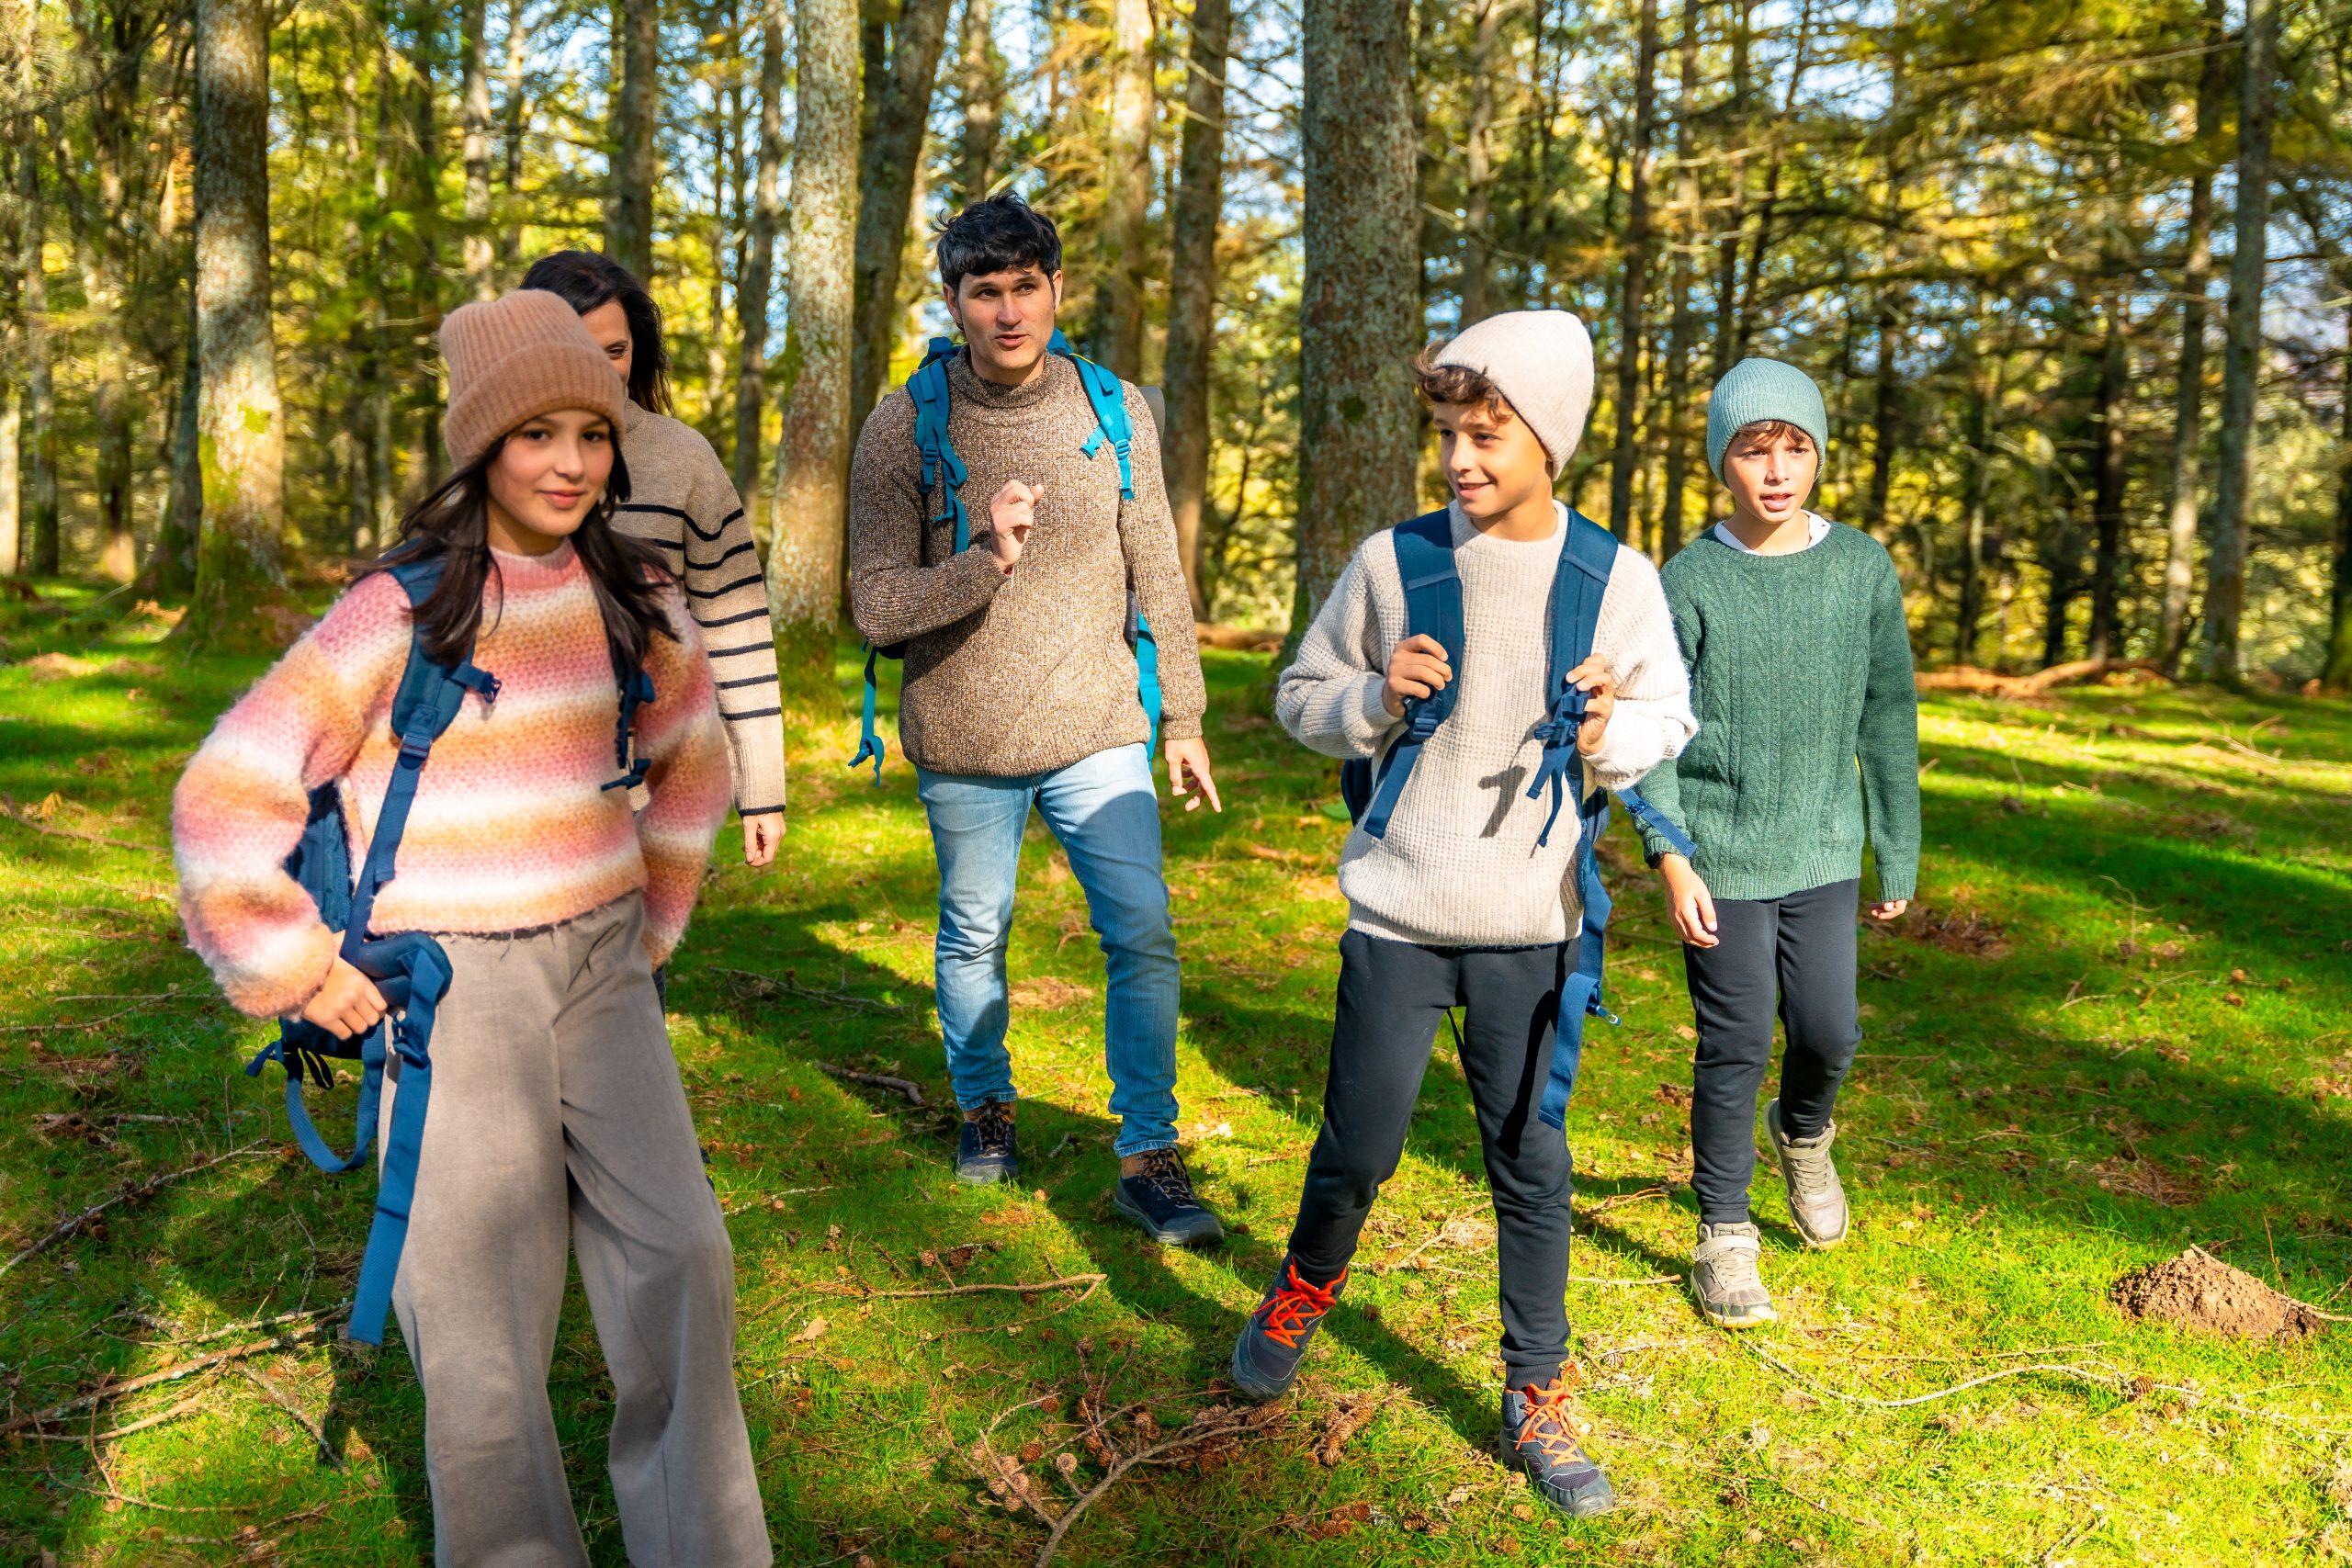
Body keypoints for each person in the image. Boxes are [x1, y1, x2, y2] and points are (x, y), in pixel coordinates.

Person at [171, 289, 771, 1566]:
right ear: (480, 446)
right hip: (452, 987)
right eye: (536, 434)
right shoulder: (400, 611)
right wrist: (292, 960)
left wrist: (652, 923)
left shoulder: (634, 596)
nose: (569, 462)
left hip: (604, 966)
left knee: (683, 1253)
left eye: (592, 435)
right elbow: (226, 791)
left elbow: (692, 760)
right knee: (483, 1314)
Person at [1230, 310, 1696, 1518]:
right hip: (1399, 914)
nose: (1460, 458)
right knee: (1358, 1145)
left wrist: (1610, 730)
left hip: (1534, 928)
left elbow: (1666, 720)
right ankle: (1301, 1285)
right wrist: (1372, 696)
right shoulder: (1394, 563)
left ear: (1551, 435)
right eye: (1448, 432)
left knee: (1530, 1160)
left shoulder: (1616, 578)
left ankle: (1535, 1391)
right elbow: (1300, 691)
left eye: (1487, 433)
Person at [846, 193, 1226, 1246]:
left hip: (1098, 724)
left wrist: (1183, 714)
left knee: (1140, 932)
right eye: (985, 291)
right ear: (955, 300)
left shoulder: (1116, 410)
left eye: (1026, 287)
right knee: (974, 934)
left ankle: (1149, 1153)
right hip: (963, 738)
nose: (1008, 311)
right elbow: (873, 604)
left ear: (1057, 288)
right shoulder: (903, 423)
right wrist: (984, 560)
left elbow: (1157, 561)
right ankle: (986, 1106)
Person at [1630, 356, 1920, 1330]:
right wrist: (1669, 852)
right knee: (1736, 1039)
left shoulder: (1860, 567)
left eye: (1795, 447)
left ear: (1817, 455)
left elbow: (1887, 715)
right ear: (1724, 461)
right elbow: (1651, 727)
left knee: (1830, 1030)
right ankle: (1722, 1234)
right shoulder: (1688, 579)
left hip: (1825, 849)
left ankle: (1803, 1137)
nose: (1777, 469)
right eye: (1755, 449)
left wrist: (1898, 849)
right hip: (1720, 856)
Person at [523, 249, 786, 865]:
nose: (600, 371)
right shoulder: (497, 457)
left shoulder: (683, 459)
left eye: (615, 352)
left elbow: (737, 626)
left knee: (636, 960)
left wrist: (762, 791)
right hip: (512, 781)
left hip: (641, 787)